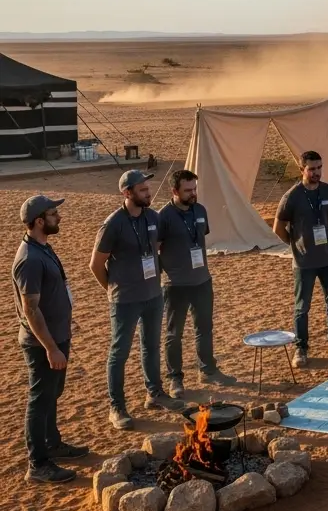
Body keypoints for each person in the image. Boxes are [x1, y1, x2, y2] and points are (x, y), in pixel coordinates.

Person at [90, 170, 186, 430]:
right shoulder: (113, 224)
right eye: (142, 190)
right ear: (127, 193)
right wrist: (113, 290)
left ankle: (155, 393)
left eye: (148, 188)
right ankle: (117, 407)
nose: (148, 193)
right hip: (125, 301)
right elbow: (96, 264)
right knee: (119, 353)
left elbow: (158, 248)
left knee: (151, 346)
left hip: (153, 295)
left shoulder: (153, 217)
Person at [12, 195, 88, 484]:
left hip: (57, 336)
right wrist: (51, 348)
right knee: (40, 399)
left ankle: (52, 443)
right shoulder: (29, 260)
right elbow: (31, 309)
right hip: (42, 344)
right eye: (54, 213)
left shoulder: (42, 248)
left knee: (52, 394)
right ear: (39, 221)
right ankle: (38, 464)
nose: (59, 217)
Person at [273, 150, 328, 367]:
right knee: (302, 307)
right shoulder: (292, 196)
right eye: (312, 169)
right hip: (304, 262)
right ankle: (301, 348)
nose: (317, 172)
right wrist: (294, 244)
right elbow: (278, 227)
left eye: (319, 168)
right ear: (302, 169)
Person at [157, 169, 235, 398]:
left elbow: (200, 238)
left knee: (204, 328)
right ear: (174, 191)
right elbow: (155, 249)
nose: (193, 194)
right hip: (176, 285)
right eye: (187, 190)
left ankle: (208, 370)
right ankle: (175, 379)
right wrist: (168, 271)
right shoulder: (164, 217)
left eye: (194, 189)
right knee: (174, 334)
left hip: (202, 280)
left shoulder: (200, 210)